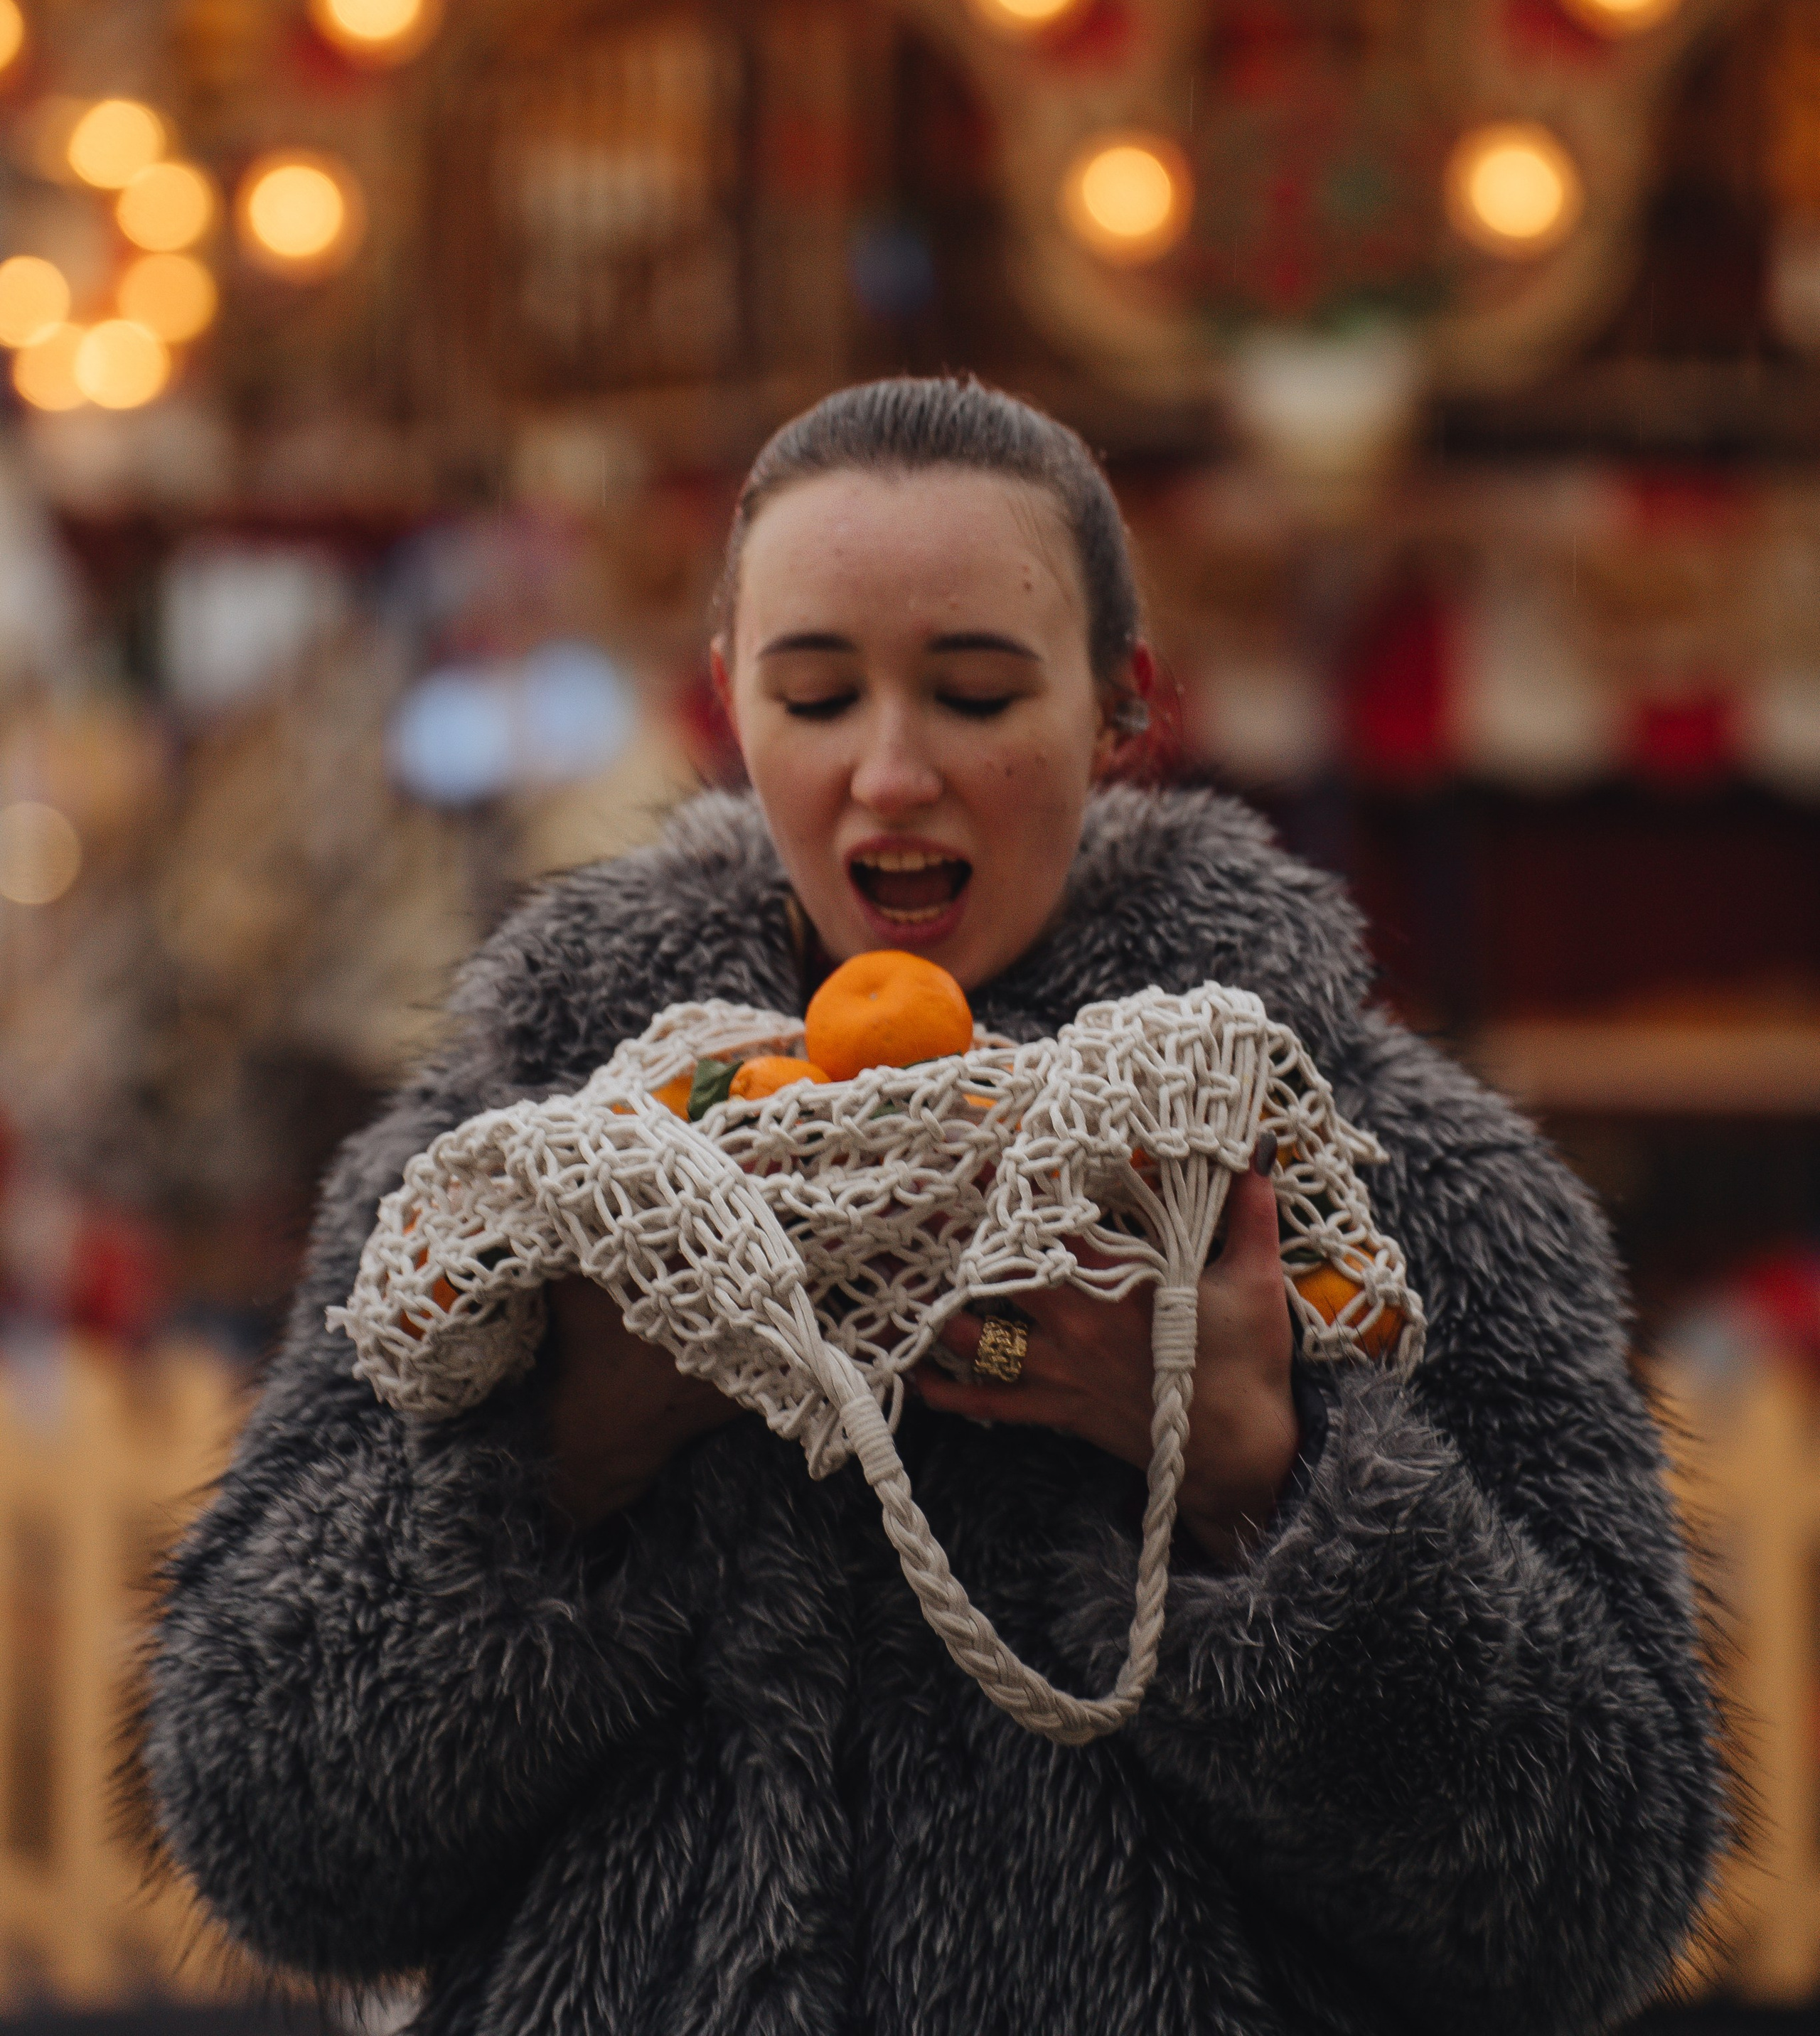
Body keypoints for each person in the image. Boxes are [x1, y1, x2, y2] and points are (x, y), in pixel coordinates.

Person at [146, 376, 1720, 2036]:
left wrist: (1260, 1488)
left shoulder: (1391, 1184)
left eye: (974, 692)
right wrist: (576, 1449)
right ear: (724, 706)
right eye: (815, 696)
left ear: (1120, 710)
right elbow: (272, 1844)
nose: (890, 775)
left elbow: (1592, 1901)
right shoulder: (513, 1175)